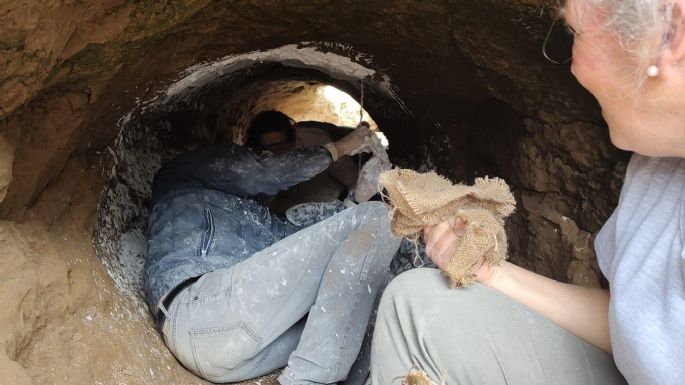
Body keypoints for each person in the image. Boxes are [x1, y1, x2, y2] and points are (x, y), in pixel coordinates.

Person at [370, 1, 685, 384]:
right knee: (414, 303)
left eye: (575, 33)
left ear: (673, 32)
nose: (571, 63)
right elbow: (640, 326)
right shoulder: (659, 163)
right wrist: (491, 273)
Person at [144, 110, 401, 384]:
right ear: (250, 150)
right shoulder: (184, 176)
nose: (278, 156)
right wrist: (343, 146)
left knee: (374, 306)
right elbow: (264, 172)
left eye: (284, 149)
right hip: (200, 309)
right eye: (269, 151)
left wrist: (357, 196)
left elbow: (310, 250)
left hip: (242, 350)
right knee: (376, 216)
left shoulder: (256, 217)